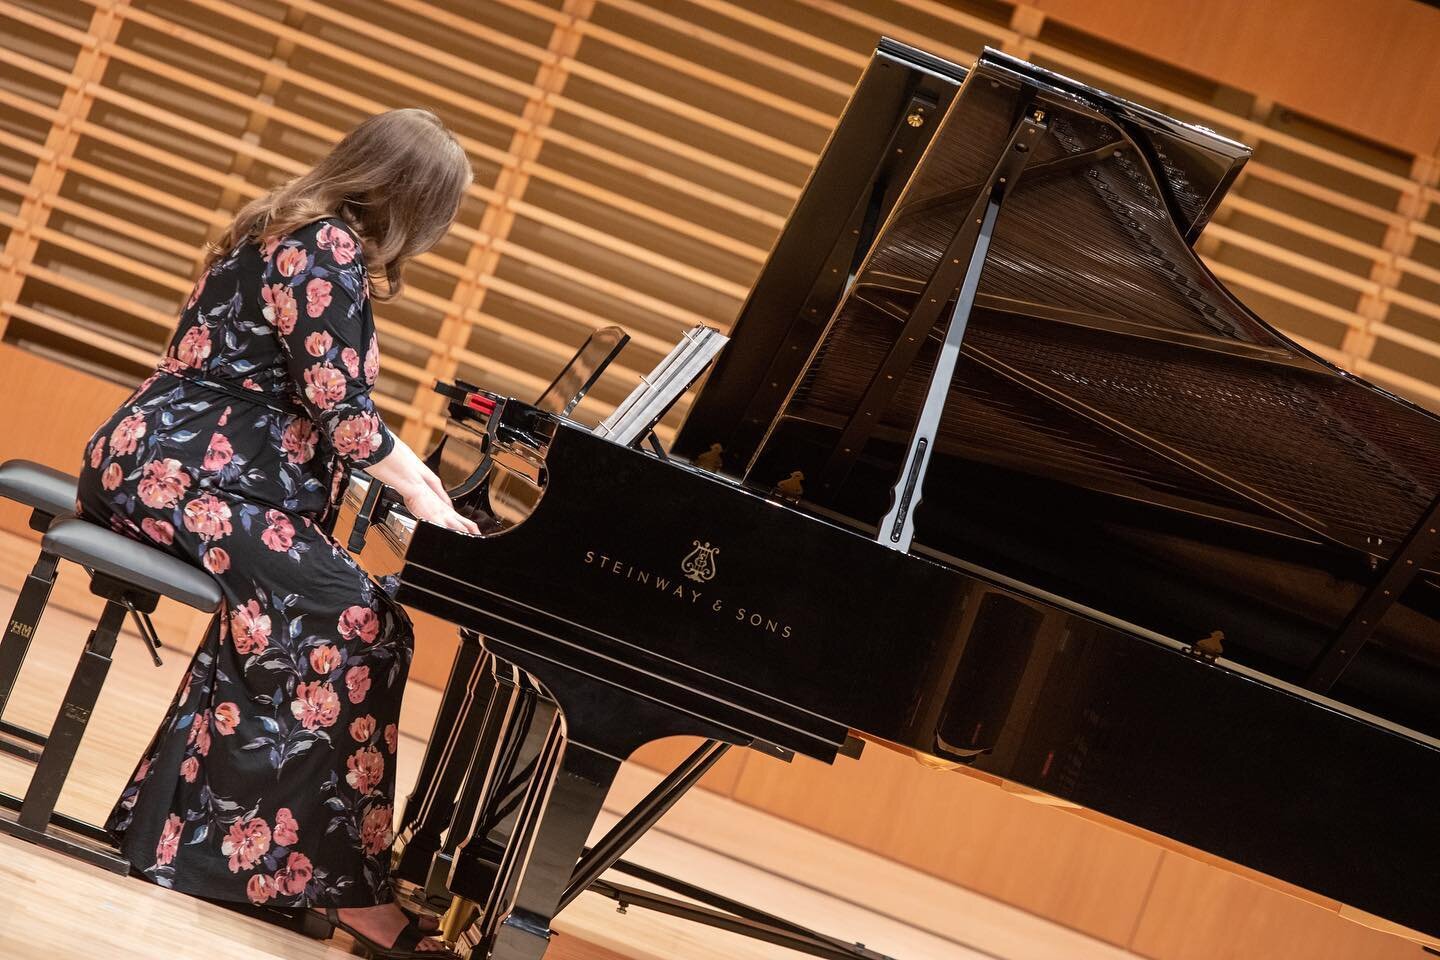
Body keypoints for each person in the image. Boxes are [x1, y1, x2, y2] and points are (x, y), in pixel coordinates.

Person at [75, 108, 480, 958]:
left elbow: (326, 404)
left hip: (179, 465)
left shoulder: (293, 226)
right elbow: (347, 418)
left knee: (342, 617)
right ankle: (332, 887)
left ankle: (193, 838)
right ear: (411, 201)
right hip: (186, 475)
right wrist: (434, 506)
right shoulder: (325, 247)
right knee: (356, 621)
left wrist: (423, 486)